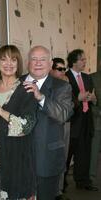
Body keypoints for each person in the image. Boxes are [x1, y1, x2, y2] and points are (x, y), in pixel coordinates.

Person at [0, 45, 37, 200]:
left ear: (18, 63)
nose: (9, 63)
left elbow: (26, 126)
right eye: (4, 59)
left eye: (13, 59)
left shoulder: (26, 90)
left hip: (16, 157)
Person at [22, 46, 73, 200]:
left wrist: (41, 97)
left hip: (47, 159)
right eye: (34, 59)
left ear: (50, 64)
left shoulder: (62, 86)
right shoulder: (17, 83)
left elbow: (63, 114)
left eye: (43, 59)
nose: (38, 63)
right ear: (27, 62)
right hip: (18, 158)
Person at [65, 49, 98, 191]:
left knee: (84, 154)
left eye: (85, 59)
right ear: (74, 62)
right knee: (67, 155)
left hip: (86, 121)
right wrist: (78, 99)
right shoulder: (65, 77)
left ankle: (83, 181)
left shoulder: (87, 77)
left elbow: (94, 98)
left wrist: (94, 99)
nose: (85, 62)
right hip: (72, 122)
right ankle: (61, 186)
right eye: (82, 59)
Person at [49, 58, 71, 200]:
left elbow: (70, 106)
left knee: (62, 158)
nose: (63, 72)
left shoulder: (65, 84)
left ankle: (59, 191)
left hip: (65, 125)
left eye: (64, 69)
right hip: (50, 128)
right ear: (51, 69)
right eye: (60, 69)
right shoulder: (44, 85)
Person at [90, 70, 101, 185]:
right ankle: (91, 177)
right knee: (94, 151)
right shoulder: (92, 78)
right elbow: (88, 102)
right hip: (98, 120)